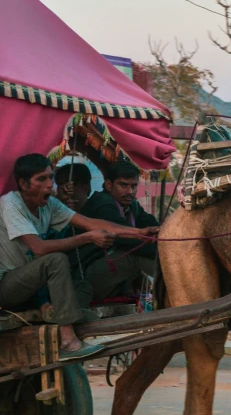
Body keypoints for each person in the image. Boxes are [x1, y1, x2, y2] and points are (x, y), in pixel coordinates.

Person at [0, 154, 156, 360]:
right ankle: (67, 340)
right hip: (7, 286)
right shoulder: (10, 203)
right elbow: (38, 248)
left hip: (34, 288)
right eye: (41, 179)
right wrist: (87, 238)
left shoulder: (49, 205)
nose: (49, 185)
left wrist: (140, 232)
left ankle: (73, 317)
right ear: (23, 184)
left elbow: (92, 223)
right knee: (56, 260)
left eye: (51, 178)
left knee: (81, 285)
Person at [76, 160, 159, 301]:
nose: (130, 192)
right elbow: (127, 240)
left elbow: (152, 224)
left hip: (111, 275)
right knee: (134, 255)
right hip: (84, 278)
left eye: (133, 186)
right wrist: (164, 248)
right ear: (109, 185)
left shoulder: (133, 206)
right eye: (123, 185)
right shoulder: (102, 203)